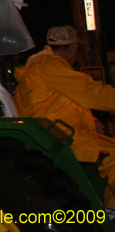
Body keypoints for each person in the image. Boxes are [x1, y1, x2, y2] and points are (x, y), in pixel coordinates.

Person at [13, 25, 115, 206]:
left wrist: (93, 121)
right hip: (62, 137)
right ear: (74, 49)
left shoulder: (39, 68)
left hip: (52, 133)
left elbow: (63, 102)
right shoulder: (53, 68)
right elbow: (91, 93)